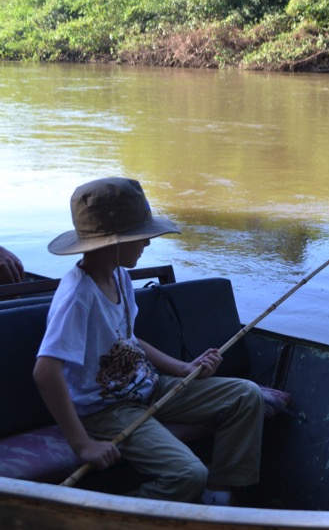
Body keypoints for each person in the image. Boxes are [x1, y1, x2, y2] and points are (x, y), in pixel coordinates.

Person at [32, 177, 263, 505]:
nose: (148, 244)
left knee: (245, 395)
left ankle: (218, 498)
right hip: (107, 409)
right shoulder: (77, 297)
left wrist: (184, 367)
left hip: (150, 387)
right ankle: (113, 517)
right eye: (141, 237)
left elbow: (127, 337)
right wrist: (82, 444)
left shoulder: (120, 276)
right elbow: (45, 371)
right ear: (114, 241)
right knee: (187, 474)